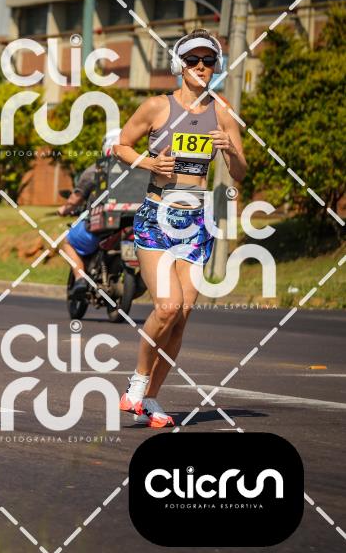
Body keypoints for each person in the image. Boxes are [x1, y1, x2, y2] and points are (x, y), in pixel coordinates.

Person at [113, 29, 246, 428]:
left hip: (197, 221)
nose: (201, 67)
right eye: (193, 60)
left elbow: (240, 172)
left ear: (216, 67)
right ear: (179, 65)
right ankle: (137, 383)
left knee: (182, 316)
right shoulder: (157, 106)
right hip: (157, 216)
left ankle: (151, 399)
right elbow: (121, 145)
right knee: (167, 307)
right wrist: (149, 163)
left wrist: (229, 149)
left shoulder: (223, 112)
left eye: (208, 61)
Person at [58, 128, 121, 299]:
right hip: (133, 227)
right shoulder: (139, 168)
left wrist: (64, 209)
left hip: (101, 226)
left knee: (67, 242)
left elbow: (75, 199)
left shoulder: (97, 170)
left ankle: (80, 279)